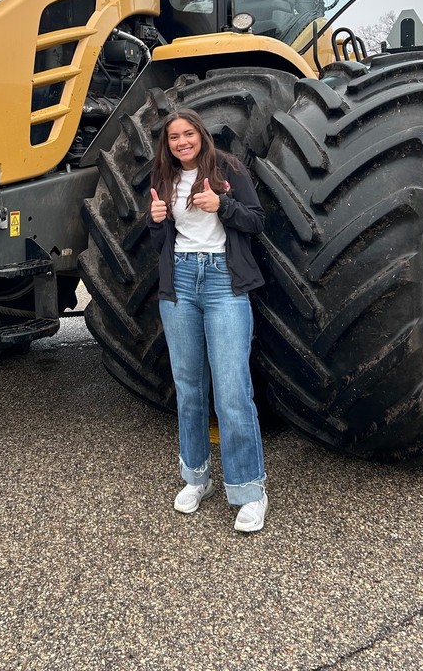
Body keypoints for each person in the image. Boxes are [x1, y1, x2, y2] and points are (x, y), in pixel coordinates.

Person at [147, 108, 268, 533]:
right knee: (189, 388)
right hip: (180, 282)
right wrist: (156, 222)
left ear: (200, 134)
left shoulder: (228, 168)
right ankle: (197, 478)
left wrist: (223, 205)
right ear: (167, 144)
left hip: (223, 282)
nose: (182, 142)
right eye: (173, 137)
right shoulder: (163, 177)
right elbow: (161, 241)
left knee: (232, 390)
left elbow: (256, 221)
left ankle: (249, 490)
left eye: (188, 134)